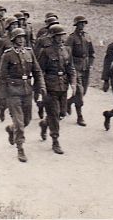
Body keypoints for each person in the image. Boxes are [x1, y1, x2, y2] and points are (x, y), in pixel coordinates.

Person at [0, 28, 45, 162]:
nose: (21, 40)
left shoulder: (29, 53)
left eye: (23, 37)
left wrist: (40, 86)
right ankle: (20, 148)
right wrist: (2, 98)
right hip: (13, 91)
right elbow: (2, 78)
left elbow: (37, 71)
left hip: (27, 91)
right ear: (13, 40)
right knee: (20, 123)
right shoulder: (7, 55)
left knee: (27, 120)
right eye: (18, 38)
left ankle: (11, 129)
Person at [38, 24, 76, 154]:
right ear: (52, 38)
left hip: (63, 86)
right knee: (54, 114)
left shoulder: (67, 50)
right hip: (50, 87)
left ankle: (45, 124)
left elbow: (71, 68)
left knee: (62, 113)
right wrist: (42, 87)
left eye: (62, 36)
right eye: (58, 36)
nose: (60, 38)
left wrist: (73, 83)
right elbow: (40, 71)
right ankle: (55, 140)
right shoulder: (46, 51)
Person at [66, 16, 95, 126]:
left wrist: (91, 64)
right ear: (76, 25)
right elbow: (68, 55)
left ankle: (68, 102)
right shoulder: (71, 38)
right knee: (79, 92)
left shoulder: (87, 36)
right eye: (80, 24)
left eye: (83, 23)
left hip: (86, 68)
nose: (82, 25)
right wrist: (71, 68)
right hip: (75, 68)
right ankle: (80, 116)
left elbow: (92, 53)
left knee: (83, 92)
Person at [0, 16, 19, 121]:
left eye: (16, 25)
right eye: (13, 25)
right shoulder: (3, 40)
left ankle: (14, 115)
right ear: (8, 27)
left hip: (16, 72)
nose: (15, 27)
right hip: (5, 71)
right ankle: (2, 109)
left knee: (15, 95)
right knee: (3, 97)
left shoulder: (21, 39)